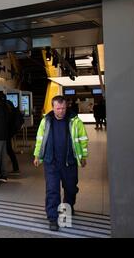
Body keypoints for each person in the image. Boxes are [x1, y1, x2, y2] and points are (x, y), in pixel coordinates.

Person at [33, 96, 89, 231]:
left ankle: (68, 208)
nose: (61, 111)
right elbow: (40, 139)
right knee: (52, 190)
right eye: (58, 108)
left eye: (63, 108)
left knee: (70, 188)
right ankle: (52, 218)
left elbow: (83, 139)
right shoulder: (46, 121)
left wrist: (83, 156)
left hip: (69, 162)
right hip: (51, 162)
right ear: (53, 107)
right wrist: (37, 156)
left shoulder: (75, 121)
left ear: (66, 107)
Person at [1, 93, 21, 176]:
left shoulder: (5, 106)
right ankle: (15, 168)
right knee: (9, 150)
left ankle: (12, 169)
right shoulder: (9, 103)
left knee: (8, 150)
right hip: (10, 132)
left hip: (6, 132)